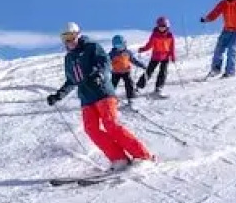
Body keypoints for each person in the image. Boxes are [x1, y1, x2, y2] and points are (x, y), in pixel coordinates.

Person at [46, 23, 154, 171]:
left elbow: (105, 63)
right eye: (65, 38)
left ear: (77, 34)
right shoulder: (69, 58)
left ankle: (142, 156)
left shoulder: (91, 47)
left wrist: (100, 74)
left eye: (71, 36)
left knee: (111, 125)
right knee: (91, 129)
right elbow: (71, 80)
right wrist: (58, 96)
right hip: (86, 98)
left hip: (102, 93)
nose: (68, 41)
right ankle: (119, 159)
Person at [138, 16, 176, 96]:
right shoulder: (155, 35)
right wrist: (143, 49)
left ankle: (158, 88)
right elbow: (150, 44)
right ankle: (139, 86)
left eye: (163, 26)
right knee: (149, 71)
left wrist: (172, 56)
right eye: (160, 26)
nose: (161, 28)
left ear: (167, 26)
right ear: (157, 26)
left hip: (165, 56)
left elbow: (172, 47)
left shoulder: (170, 35)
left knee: (163, 72)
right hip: (156, 56)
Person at [109, 34, 147, 105]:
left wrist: (142, 65)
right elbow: (107, 62)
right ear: (114, 46)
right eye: (117, 46)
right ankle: (110, 98)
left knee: (129, 84)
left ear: (124, 44)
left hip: (126, 71)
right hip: (116, 72)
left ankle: (130, 98)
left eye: (121, 46)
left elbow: (134, 60)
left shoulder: (127, 52)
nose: (119, 48)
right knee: (112, 85)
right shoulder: (112, 54)